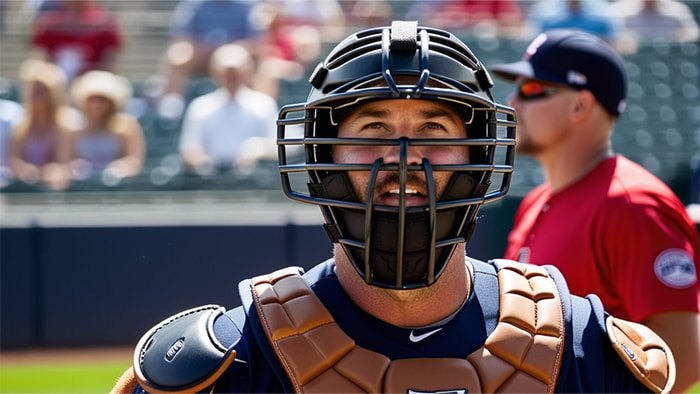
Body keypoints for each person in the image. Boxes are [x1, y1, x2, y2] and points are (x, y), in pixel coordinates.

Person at [112, 21, 676, 393]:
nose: (403, 156)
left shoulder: (582, 347)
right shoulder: (234, 362)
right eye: (374, 127)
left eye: (433, 129)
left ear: (478, 157)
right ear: (325, 157)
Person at [490, 28, 699, 392]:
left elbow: (682, 353)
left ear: (580, 105)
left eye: (532, 89)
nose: (514, 101)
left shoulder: (633, 204)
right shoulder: (534, 203)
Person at [178, 43, 278, 176]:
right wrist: (202, 162)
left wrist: (258, 150)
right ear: (215, 73)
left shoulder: (264, 104)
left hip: (255, 181)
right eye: (226, 72)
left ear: (247, 71)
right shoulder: (200, 106)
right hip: (211, 182)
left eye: (236, 72)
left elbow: (279, 145)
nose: (231, 78)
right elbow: (189, 147)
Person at [155, 0, 263, 112]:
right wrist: (205, 48)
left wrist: (225, 49)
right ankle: (170, 111)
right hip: (201, 55)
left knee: (239, 58)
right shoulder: (193, 4)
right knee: (177, 57)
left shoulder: (248, 5)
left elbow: (256, 42)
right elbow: (182, 38)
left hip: (234, 54)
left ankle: (257, 109)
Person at [7, 59, 77, 191]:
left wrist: (50, 172)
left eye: (42, 91)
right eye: (34, 90)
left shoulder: (64, 127)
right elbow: (14, 160)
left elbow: (63, 163)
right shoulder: (20, 127)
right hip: (23, 187)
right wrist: (24, 169)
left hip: (55, 189)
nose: (36, 95)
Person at [68, 70, 145, 186]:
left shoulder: (127, 126)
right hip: (81, 189)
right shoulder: (74, 128)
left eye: (101, 99)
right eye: (92, 99)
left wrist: (119, 168)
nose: (96, 104)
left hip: (116, 189)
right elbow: (65, 161)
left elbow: (134, 161)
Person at [29, 0, 123, 82]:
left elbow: (108, 65)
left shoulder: (105, 23)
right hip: (58, 87)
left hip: (91, 87)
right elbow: (42, 62)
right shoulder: (50, 23)